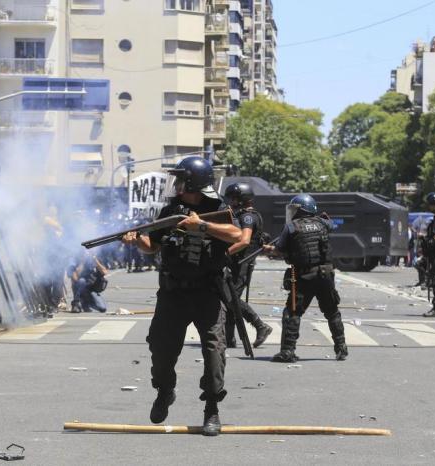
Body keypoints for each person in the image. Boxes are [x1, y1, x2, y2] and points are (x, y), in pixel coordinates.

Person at [122, 156, 241, 437]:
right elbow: (153, 245)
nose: (176, 184)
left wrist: (201, 226)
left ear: (194, 182)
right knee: (161, 350)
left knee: (214, 352)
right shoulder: (170, 210)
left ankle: (211, 408)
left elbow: (237, 235)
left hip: (207, 293)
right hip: (172, 293)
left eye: (181, 179)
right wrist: (136, 240)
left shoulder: (217, 208)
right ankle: (165, 391)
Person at [264, 194, 347, 363]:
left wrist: (268, 250)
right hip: (326, 275)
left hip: (304, 276)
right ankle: (341, 348)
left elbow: (280, 250)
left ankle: (287, 351)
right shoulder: (323, 223)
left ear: (300, 210)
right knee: (332, 312)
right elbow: (330, 225)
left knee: (293, 313)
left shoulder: (291, 227)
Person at [223, 182, 273, 349]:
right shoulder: (250, 215)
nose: (230, 202)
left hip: (242, 263)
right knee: (229, 301)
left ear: (240, 199)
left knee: (232, 299)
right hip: (242, 262)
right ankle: (229, 339)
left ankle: (260, 326)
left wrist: (225, 254)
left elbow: (244, 241)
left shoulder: (247, 217)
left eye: (232, 199)